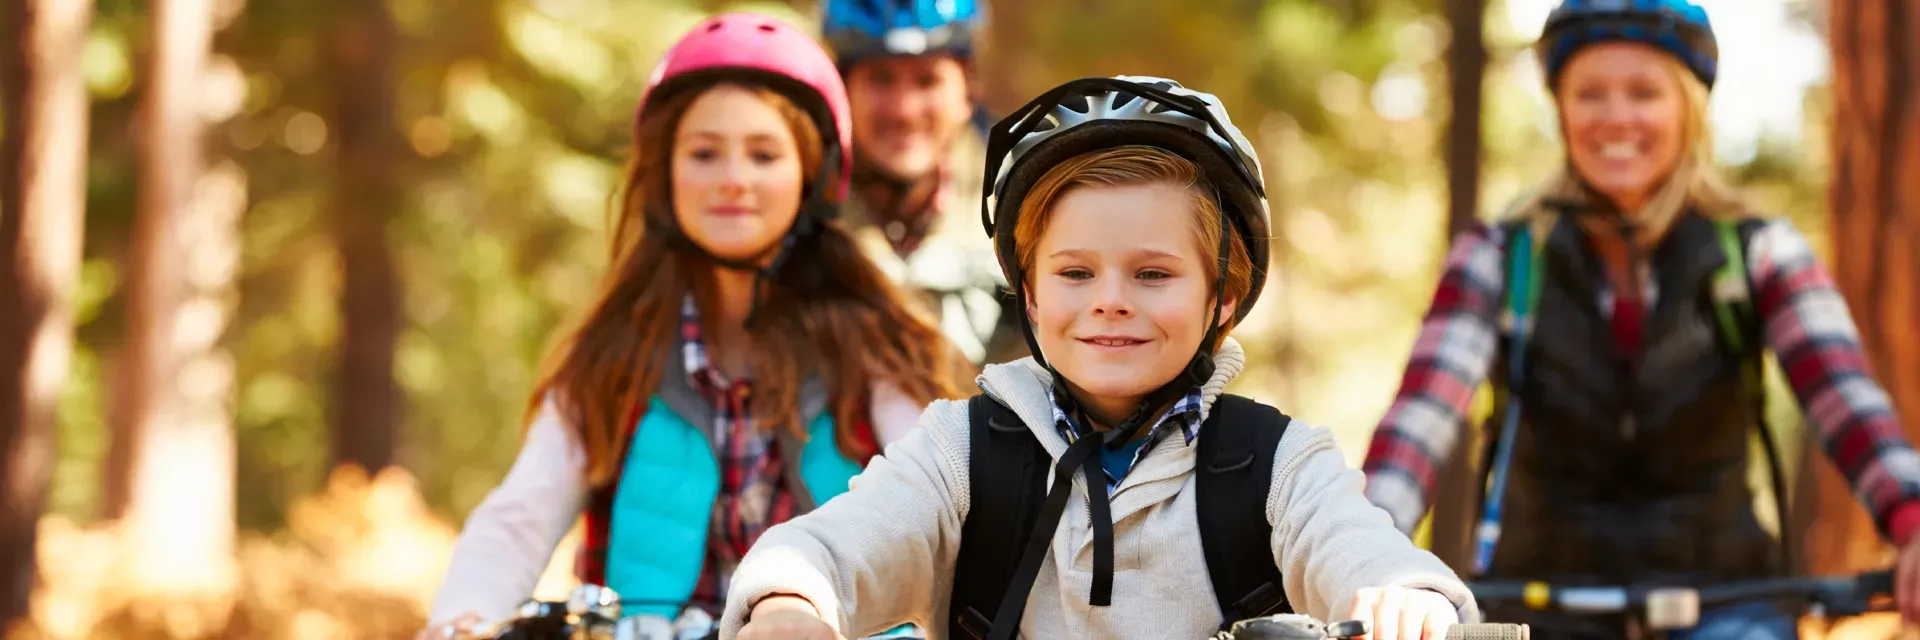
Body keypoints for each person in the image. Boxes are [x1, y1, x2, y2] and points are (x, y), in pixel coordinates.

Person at [718, 75, 1479, 640]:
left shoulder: (1276, 463)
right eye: (1075, 274)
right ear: (1030, 295)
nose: (1110, 301)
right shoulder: (960, 452)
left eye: (1153, 274)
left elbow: (1360, 547)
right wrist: (793, 604)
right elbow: (834, 545)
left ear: (1223, 295)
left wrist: (1406, 594)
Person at [1361, 1, 1920, 638]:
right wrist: (1365, 548)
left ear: (1688, 107)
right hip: (1538, 606)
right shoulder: (1500, 254)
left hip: (1726, 602)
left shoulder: (1760, 251)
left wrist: (1913, 520)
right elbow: (1417, 425)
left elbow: (1847, 403)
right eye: (1590, 93)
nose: (1616, 116)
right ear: (1561, 108)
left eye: (1644, 92)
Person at [419, 13, 960, 637]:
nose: (734, 179)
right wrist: (462, 621)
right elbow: (520, 516)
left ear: (810, 177)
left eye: (763, 155)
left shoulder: (872, 346)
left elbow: (934, 505)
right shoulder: (616, 353)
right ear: (665, 173)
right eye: (704, 153)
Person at [821, 0, 1024, 367]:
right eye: (881, 79)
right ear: (842, 89)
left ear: (968, 90)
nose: (904, 110)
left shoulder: (1029, 214)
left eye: (927, 80)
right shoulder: (797, 215)